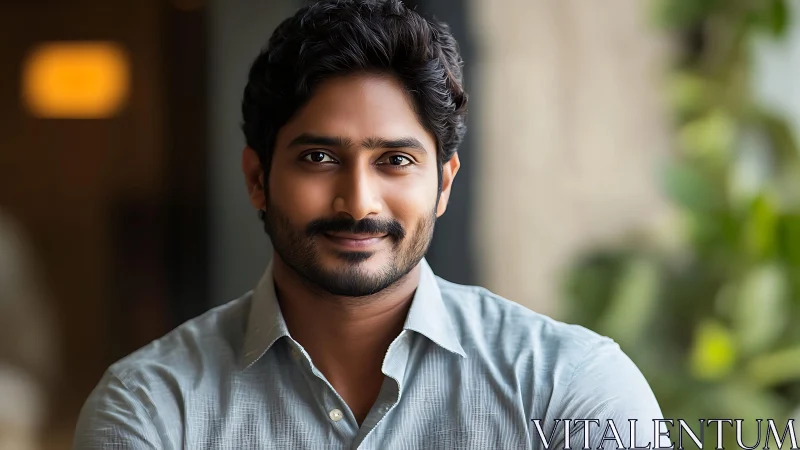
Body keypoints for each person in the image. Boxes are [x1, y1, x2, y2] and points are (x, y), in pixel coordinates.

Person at [74, 1, 664, 448]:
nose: (359, 203)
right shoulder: (153, 408)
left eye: (395, 161)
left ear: (444, 183)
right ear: (257, 178)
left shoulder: (569, 386)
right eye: (319, 158)